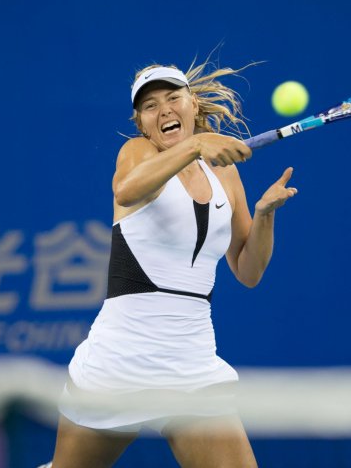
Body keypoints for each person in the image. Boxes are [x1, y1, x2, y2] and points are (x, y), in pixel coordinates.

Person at [49, 62, 297, 468]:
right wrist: (196, 147)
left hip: (192, 364)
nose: (163, 110)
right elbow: (126, 190)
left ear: (192, 104)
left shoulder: (226, 173)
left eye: (172, 98)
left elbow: (248, 271)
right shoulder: (137, 153)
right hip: (118, 363)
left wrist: (265, 213)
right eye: (149, 106)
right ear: (142, 123)